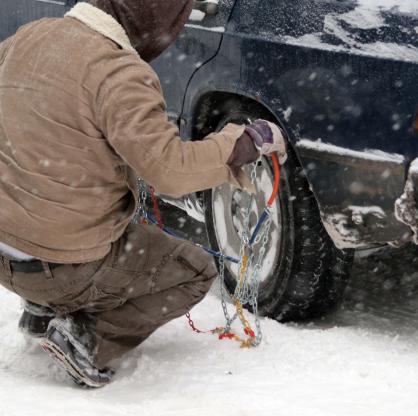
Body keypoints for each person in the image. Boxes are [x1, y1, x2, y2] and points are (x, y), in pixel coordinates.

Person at [0, 0, 286, 387]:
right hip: (66, 265)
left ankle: (41, 307)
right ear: (151, 18)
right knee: (193, 271)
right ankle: (85, 340)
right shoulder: (117, 72)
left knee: (75, 227)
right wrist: (239, 144)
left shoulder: (26, 39)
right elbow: (169, 170)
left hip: (6, 252)